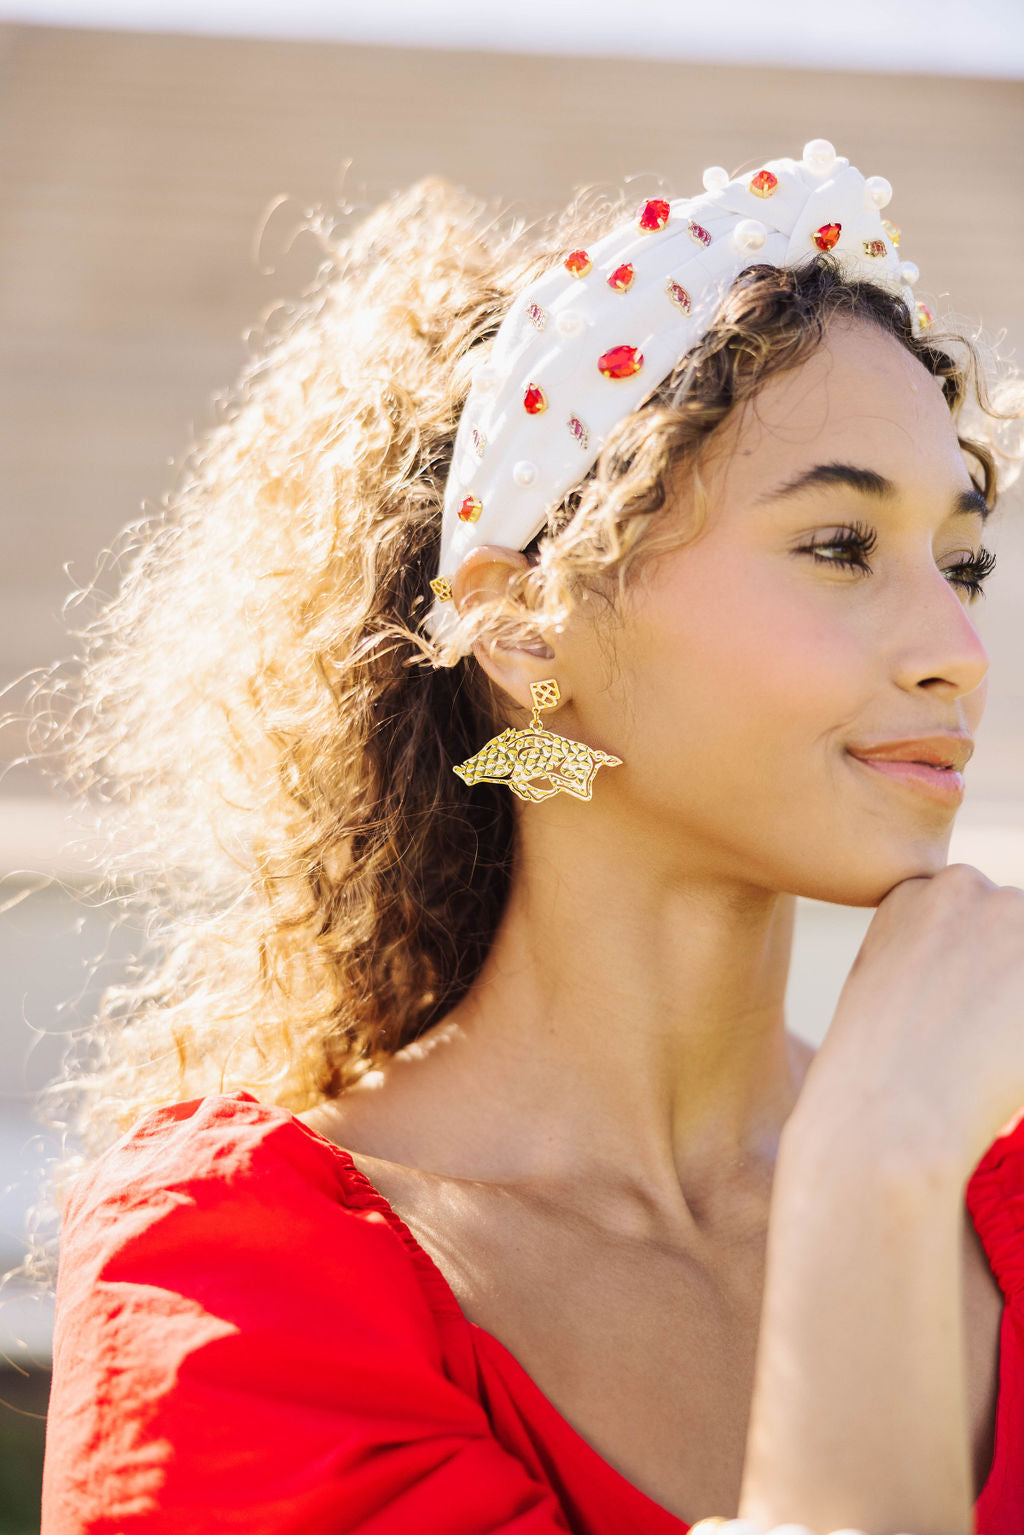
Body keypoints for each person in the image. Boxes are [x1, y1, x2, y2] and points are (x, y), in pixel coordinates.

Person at [33, 139, 1024, 1535]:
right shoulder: (240, 1295)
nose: (960, 651)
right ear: (522, 623)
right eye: (839, 547)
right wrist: (871, 1182)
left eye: (962, 561)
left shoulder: (1008, 1196)